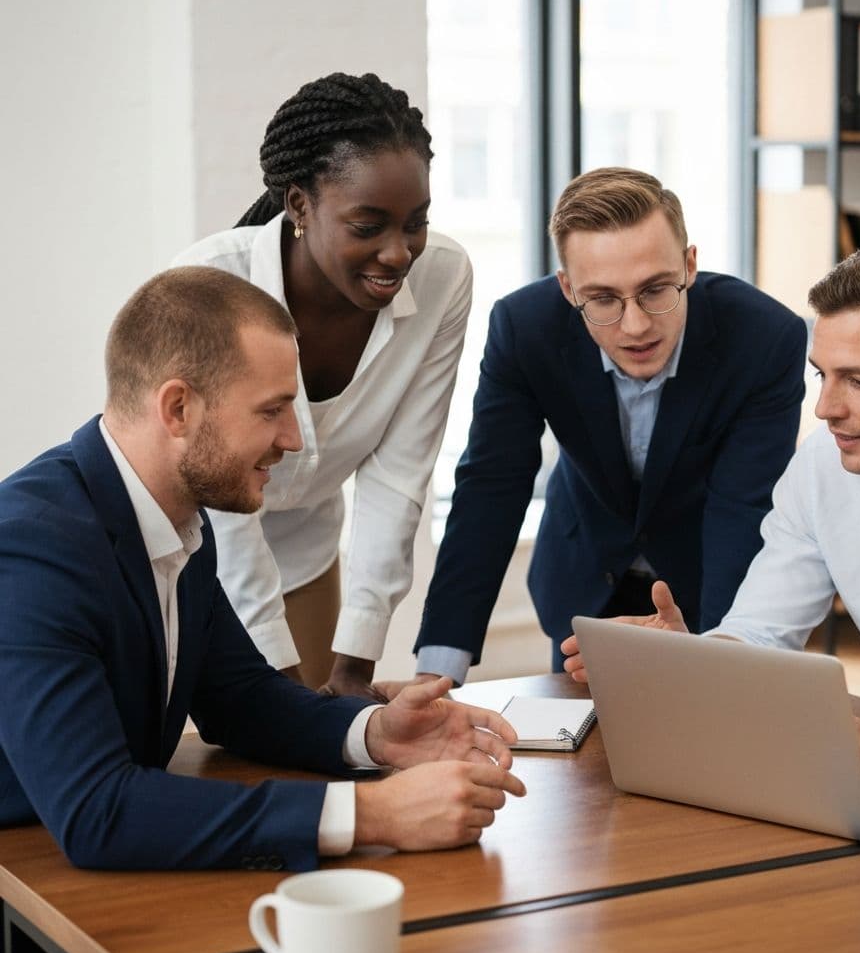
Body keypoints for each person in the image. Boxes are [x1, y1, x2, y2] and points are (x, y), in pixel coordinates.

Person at [0, 268, 525, 871]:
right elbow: (99, 811)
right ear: (178, 408)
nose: (294, 439)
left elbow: (239, 698)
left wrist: (377, 733)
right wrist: (371, 814)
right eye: (272, 410)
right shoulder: (30, 550)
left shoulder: (178, 516)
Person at [563, 239, 860, 777]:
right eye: (822, 375)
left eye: (859, 381)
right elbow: (761, 631)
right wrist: (690, 663)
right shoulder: (824, 467)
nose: (826, 409)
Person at [405, 167, 807, 688]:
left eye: (655, 290)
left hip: (708, 583)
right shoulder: (525, 329)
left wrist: (720, 664)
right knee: (578, 738)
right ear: (568, 289)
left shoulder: (764, 338)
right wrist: (437, 674)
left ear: (689, 265)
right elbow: (490, 487)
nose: (635, 325)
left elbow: (742, 509)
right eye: (602, 300)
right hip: (584, 583)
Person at [171, 72, 472, 699]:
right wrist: (285, 697)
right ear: (300, 206)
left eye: (415, 223)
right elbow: (223, 509)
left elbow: (399, 473)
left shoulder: (443, 279)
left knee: (319, 738)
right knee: (216, 737)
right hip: (189, 548)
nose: (399, 253)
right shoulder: (210, 285)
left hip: (306, 550)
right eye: (368, 226)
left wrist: (356, 663)